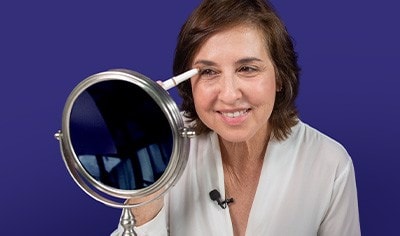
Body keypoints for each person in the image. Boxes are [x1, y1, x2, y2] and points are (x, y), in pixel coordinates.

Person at [112, 0, 361, 235]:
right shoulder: (165, 148)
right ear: (188, 84)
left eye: (247, 69)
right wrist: (148, 176)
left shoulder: (330, 164)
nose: (229, 95)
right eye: (208, 71)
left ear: (280, 77)